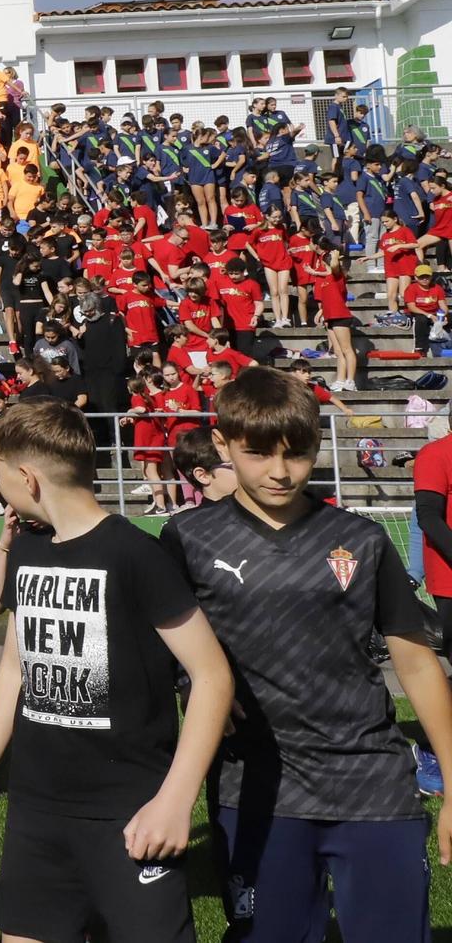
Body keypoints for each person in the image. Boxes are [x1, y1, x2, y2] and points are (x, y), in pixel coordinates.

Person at [160, 368, 452, 942]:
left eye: (296, 454)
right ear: (221, 445)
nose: (279, 470)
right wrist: (191, 683)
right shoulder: (188, 539)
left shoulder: (360, 540)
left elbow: (417, 663)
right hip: (255, 786)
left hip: (371, 782)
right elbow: (165, 648)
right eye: (257, 453)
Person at [0, 398, 234, 943]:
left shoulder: (137, 555)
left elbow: (212, 676)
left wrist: (175, 802)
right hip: (36, 810)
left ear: (27, 478)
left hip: (129, 814)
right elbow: (14, 669)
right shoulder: (28, 550)